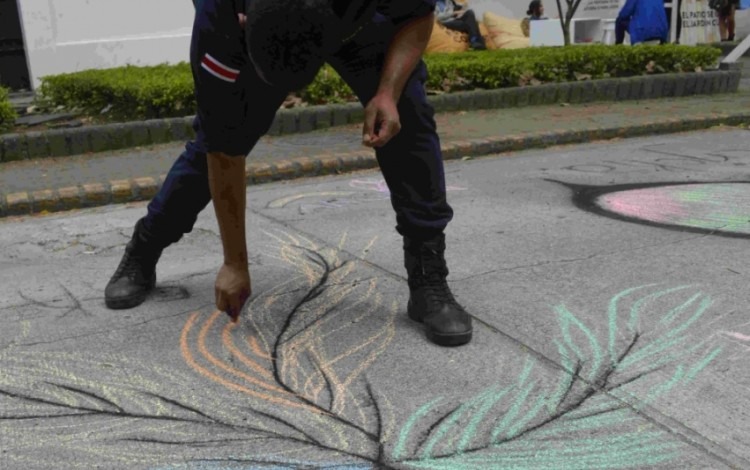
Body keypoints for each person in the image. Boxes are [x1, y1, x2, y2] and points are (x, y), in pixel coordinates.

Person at [104, 0, 474, 347]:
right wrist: (235, 262)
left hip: (356, 27)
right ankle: (145, 247)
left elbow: (418, 16)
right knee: (213, 145)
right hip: (253, 33)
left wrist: (388, 93)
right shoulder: (220, 21)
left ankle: (429, 276)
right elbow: (223, 148)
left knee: (407, 120)